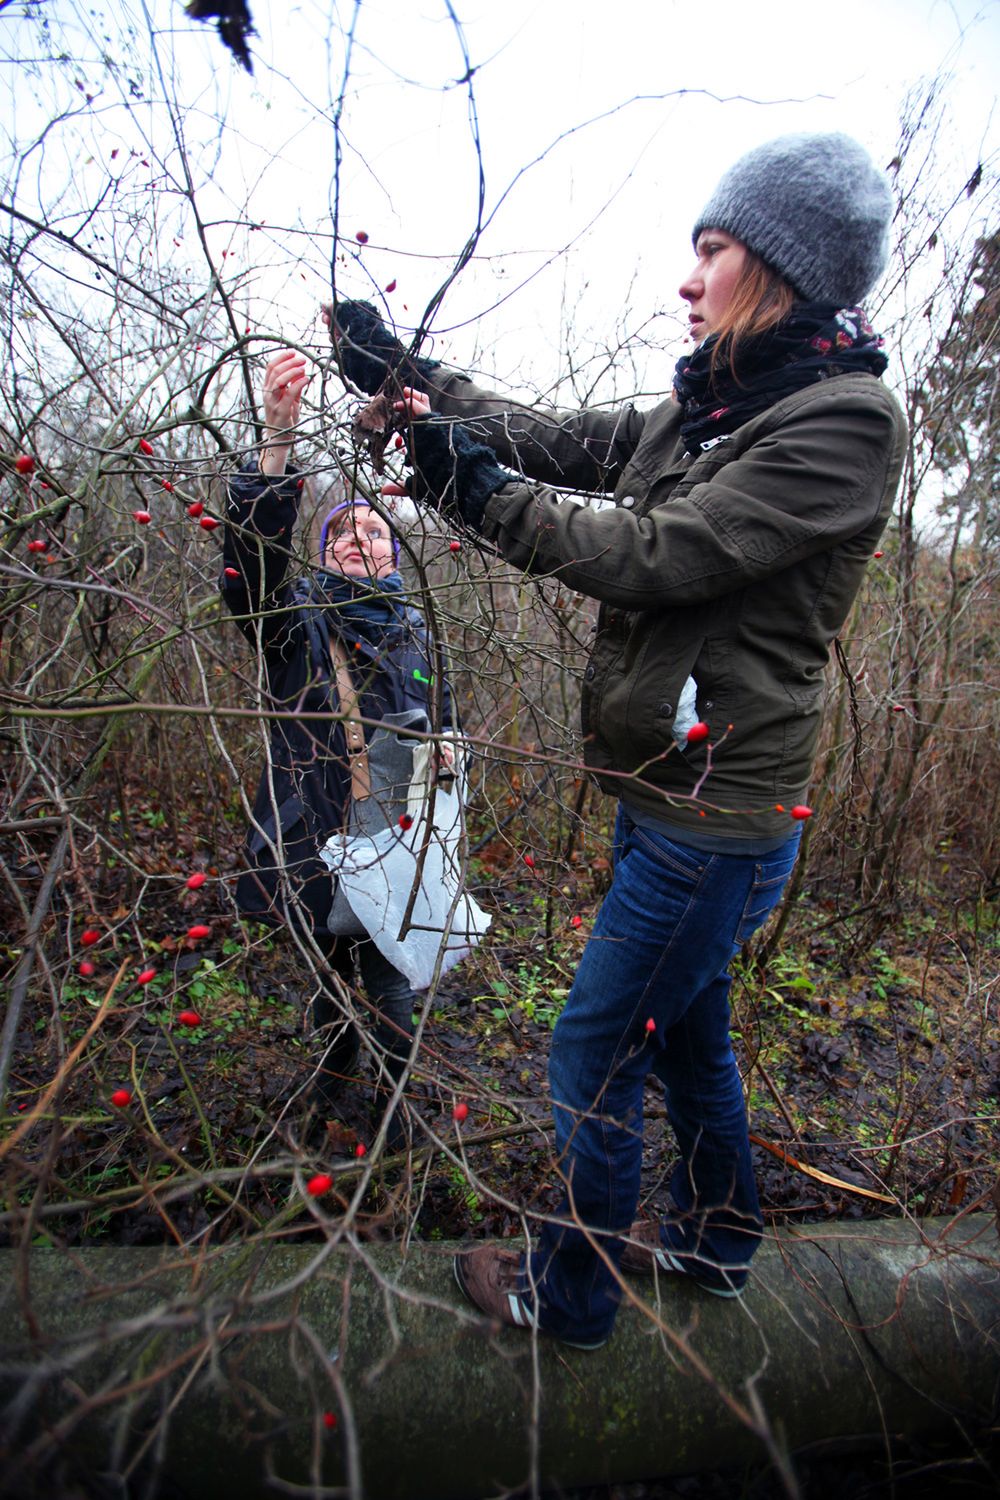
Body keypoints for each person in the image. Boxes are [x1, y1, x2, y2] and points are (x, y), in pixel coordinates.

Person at [330, 132, 908, 1347]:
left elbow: (656, 555)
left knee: (592, 1049)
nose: (687, 280)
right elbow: (554, 437)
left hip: (717, 823)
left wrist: (464, 487)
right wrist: (418, 380)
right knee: (686, 1034)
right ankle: (719, 1238)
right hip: (666, 796)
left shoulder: (842, 424)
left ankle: (572, 1299)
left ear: (786, 270)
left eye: (713, 252)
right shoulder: (714, 402)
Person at [222, 347, 456, 1137]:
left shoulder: (417, 630)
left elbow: (440, 709)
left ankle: (392, 1112)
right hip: (320, 837)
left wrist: (447, 746)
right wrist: (275, 446)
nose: (362, 541)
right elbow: (248, 573)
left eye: (375, 532)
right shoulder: (296, 626)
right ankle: (330, 1090)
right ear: (323, 554)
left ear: (396, 551)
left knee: (390, 985)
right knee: (330, 980)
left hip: (398, 839)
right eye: (343, 535)